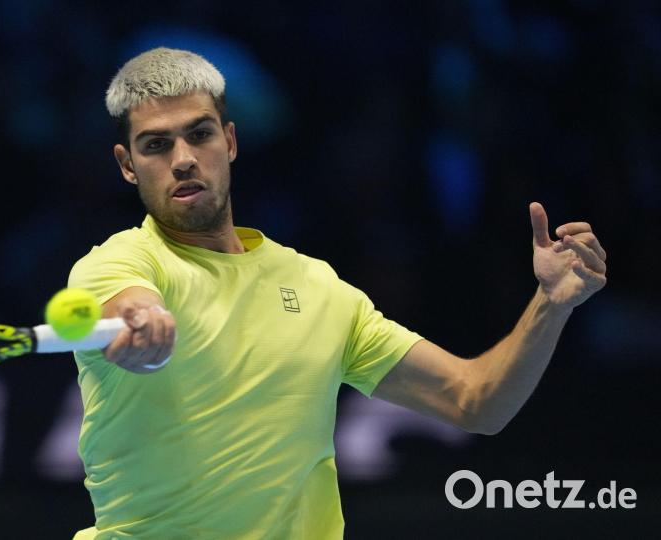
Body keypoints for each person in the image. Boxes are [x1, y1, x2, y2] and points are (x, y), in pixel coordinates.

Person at [68, 47, 607, 539]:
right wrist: (144, 322)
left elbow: (476, 401)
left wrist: (550, 305)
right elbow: (130, 302)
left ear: (229, 141)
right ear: (127, 165)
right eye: (156, 145)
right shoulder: (118, 261)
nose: (182, 158)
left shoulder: (317, 287)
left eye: (200, 134)